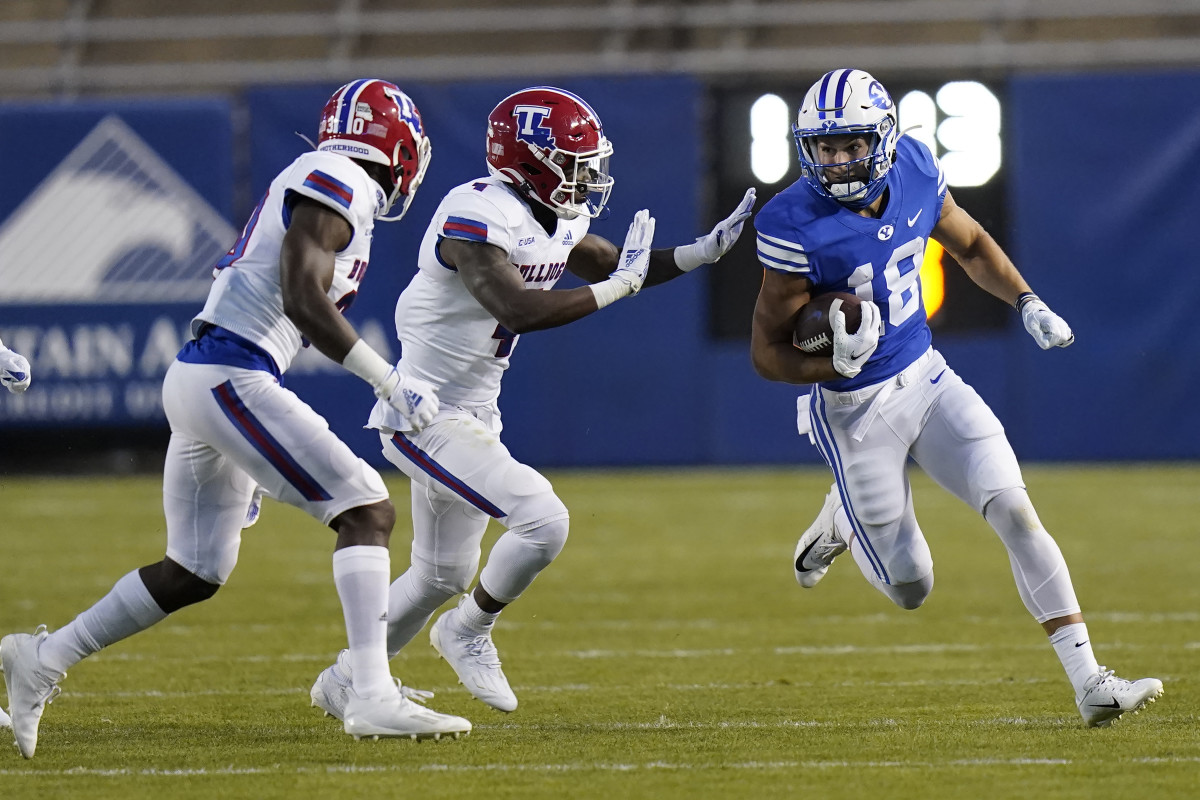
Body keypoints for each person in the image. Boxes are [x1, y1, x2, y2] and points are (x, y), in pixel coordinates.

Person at [0, 79, 473, 759]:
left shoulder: (328, 178)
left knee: (196, 569)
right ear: (396, 146)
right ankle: (370, 693)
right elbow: (304, 299)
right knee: (366, 508)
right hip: (230, 372)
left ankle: (42, 657)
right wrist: (389, 380)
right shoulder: (336, 176)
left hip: (211, 375)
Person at [307, 85, 756, 717]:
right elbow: (518, 308)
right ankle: (468, 629)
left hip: (472, 414)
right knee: (543, 522)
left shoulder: (555, 214)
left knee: (440, 574)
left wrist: (695, 254)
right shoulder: (474, 214)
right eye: (574, 165)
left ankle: (349, 679)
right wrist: (621, 287)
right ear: (530, 162)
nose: (586, 180)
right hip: (423, 413)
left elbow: (613, 265)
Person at [750, 68, 1162, 729]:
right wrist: (828, 357)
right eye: (824, 147)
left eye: (851, 144)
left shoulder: (914, 165)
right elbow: (767, 353)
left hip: (927, 376)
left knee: (1016, 512)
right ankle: (841, 523)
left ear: (883, 139)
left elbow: (969, 243)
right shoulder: (793, 222)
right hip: (854, 411)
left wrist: (1028, 302)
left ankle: (1090, 682)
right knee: (912, 586)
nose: (837, 160)